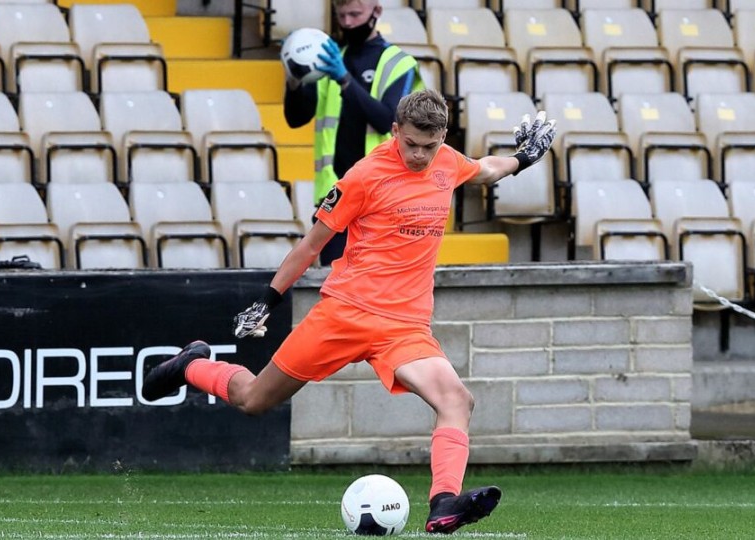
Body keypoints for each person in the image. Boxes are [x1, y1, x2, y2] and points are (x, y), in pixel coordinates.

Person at [142, 89, 555, 534]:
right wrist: (268, 299)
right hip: (345, 313)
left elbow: (486, 170)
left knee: (457, 400)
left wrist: (522, 159)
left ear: (443, 138)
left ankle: (443, 503)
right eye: (410, 143)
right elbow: (311, 244)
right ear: (395, 131)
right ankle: (193, 365)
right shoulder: (364, 176)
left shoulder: (447, 162)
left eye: (429, 146)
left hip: (404, 325)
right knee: (254, 400)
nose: (418, 155)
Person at [285, 0, 424, 266]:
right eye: (342, 15)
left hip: (381, 196)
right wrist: (293, 82)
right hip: (335, 194)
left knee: (376, 287)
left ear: (376, 12)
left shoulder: (398, 63)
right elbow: (296, 118)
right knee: (334, 285)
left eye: (355, 14)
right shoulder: (324, 58)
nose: (348, 22)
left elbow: (387, 119)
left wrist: (344, 79)